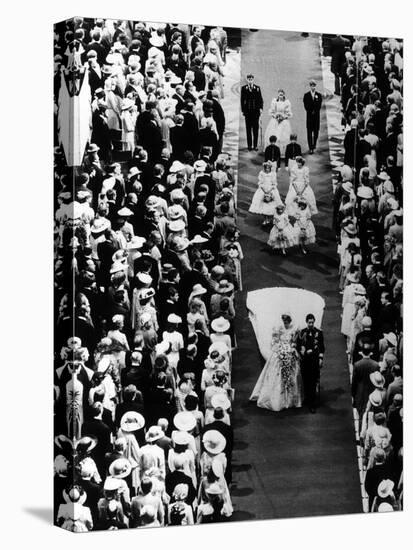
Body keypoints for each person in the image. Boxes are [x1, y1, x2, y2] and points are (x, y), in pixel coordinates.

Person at [250, 312, 303, 411]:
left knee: (293, 374)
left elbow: (295, 341)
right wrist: (280, 349)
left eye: (287, 320)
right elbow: (274, 341)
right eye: (284, 320)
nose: (285, 322)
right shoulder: (278, 328)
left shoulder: (294, 328)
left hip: (290, 352)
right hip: (280, 352)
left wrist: (292, 347)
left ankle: (291, 399)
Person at [299, 313, 325, 412]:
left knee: (313, 381)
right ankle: (307, 397)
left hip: (314, 360)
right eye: (309, 322)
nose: (311, 324)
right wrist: (303, 352)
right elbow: (299, 344)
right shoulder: (302, 332)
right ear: (306, 322)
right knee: (306, 380)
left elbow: (322, 347)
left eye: (312, 322)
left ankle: (312, 403)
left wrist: (320, 359)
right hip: (305, 361)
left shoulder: (319, 333)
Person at [248, 161, 282, 226]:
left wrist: (269, 191)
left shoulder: (273, 173)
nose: (267, 170)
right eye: (266, 168)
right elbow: (260, 183)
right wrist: (264, 191)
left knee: (271, 205)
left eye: (268, 168)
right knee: (263, 205)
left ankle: (269, 218)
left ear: (270, 168)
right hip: (263, 190)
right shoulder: (261, 173)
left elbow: (274, 184)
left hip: (271, 189)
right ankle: (265, 219)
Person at [264, 88, 292, 155]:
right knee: (273, 134)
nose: (281, 96)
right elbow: (272, 111)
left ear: (284, 95)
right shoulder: (274, 101)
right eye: (279, 95)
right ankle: (272, 152)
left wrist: (283, 117)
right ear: (278, 95)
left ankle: (282, 152)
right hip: (275, 120)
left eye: (282, 95)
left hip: (283, 120)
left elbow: (288, 113)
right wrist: (276, 116)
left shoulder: (286, 102)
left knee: (283, 136)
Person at [240, 74, 263, 151]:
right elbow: (242, 100)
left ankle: (255, 145)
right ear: (247, 80)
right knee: (248, 129)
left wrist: (261, 108)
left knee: (255, 129)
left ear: (253, 79)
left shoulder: (257, 88)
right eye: (248, 79)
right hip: (248, 112)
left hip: (255, 112)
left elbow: (260, 100)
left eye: (251, 79)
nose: (250, 80)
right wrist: (243, 110)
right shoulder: (244, 88)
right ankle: (249, 145)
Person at [303, 79, 322, 153]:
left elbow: (319, 105)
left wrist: (315, 110)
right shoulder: (306, 95)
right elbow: (306, 106)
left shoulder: (319, 95)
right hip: (310, 116)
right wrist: (311, 110)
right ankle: (310, 147)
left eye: (314, 86)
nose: (313, 87)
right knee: (309, 132)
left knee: (316, 132)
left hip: (316, 116)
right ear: (310, 86)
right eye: (311, 86)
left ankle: (314, 144)